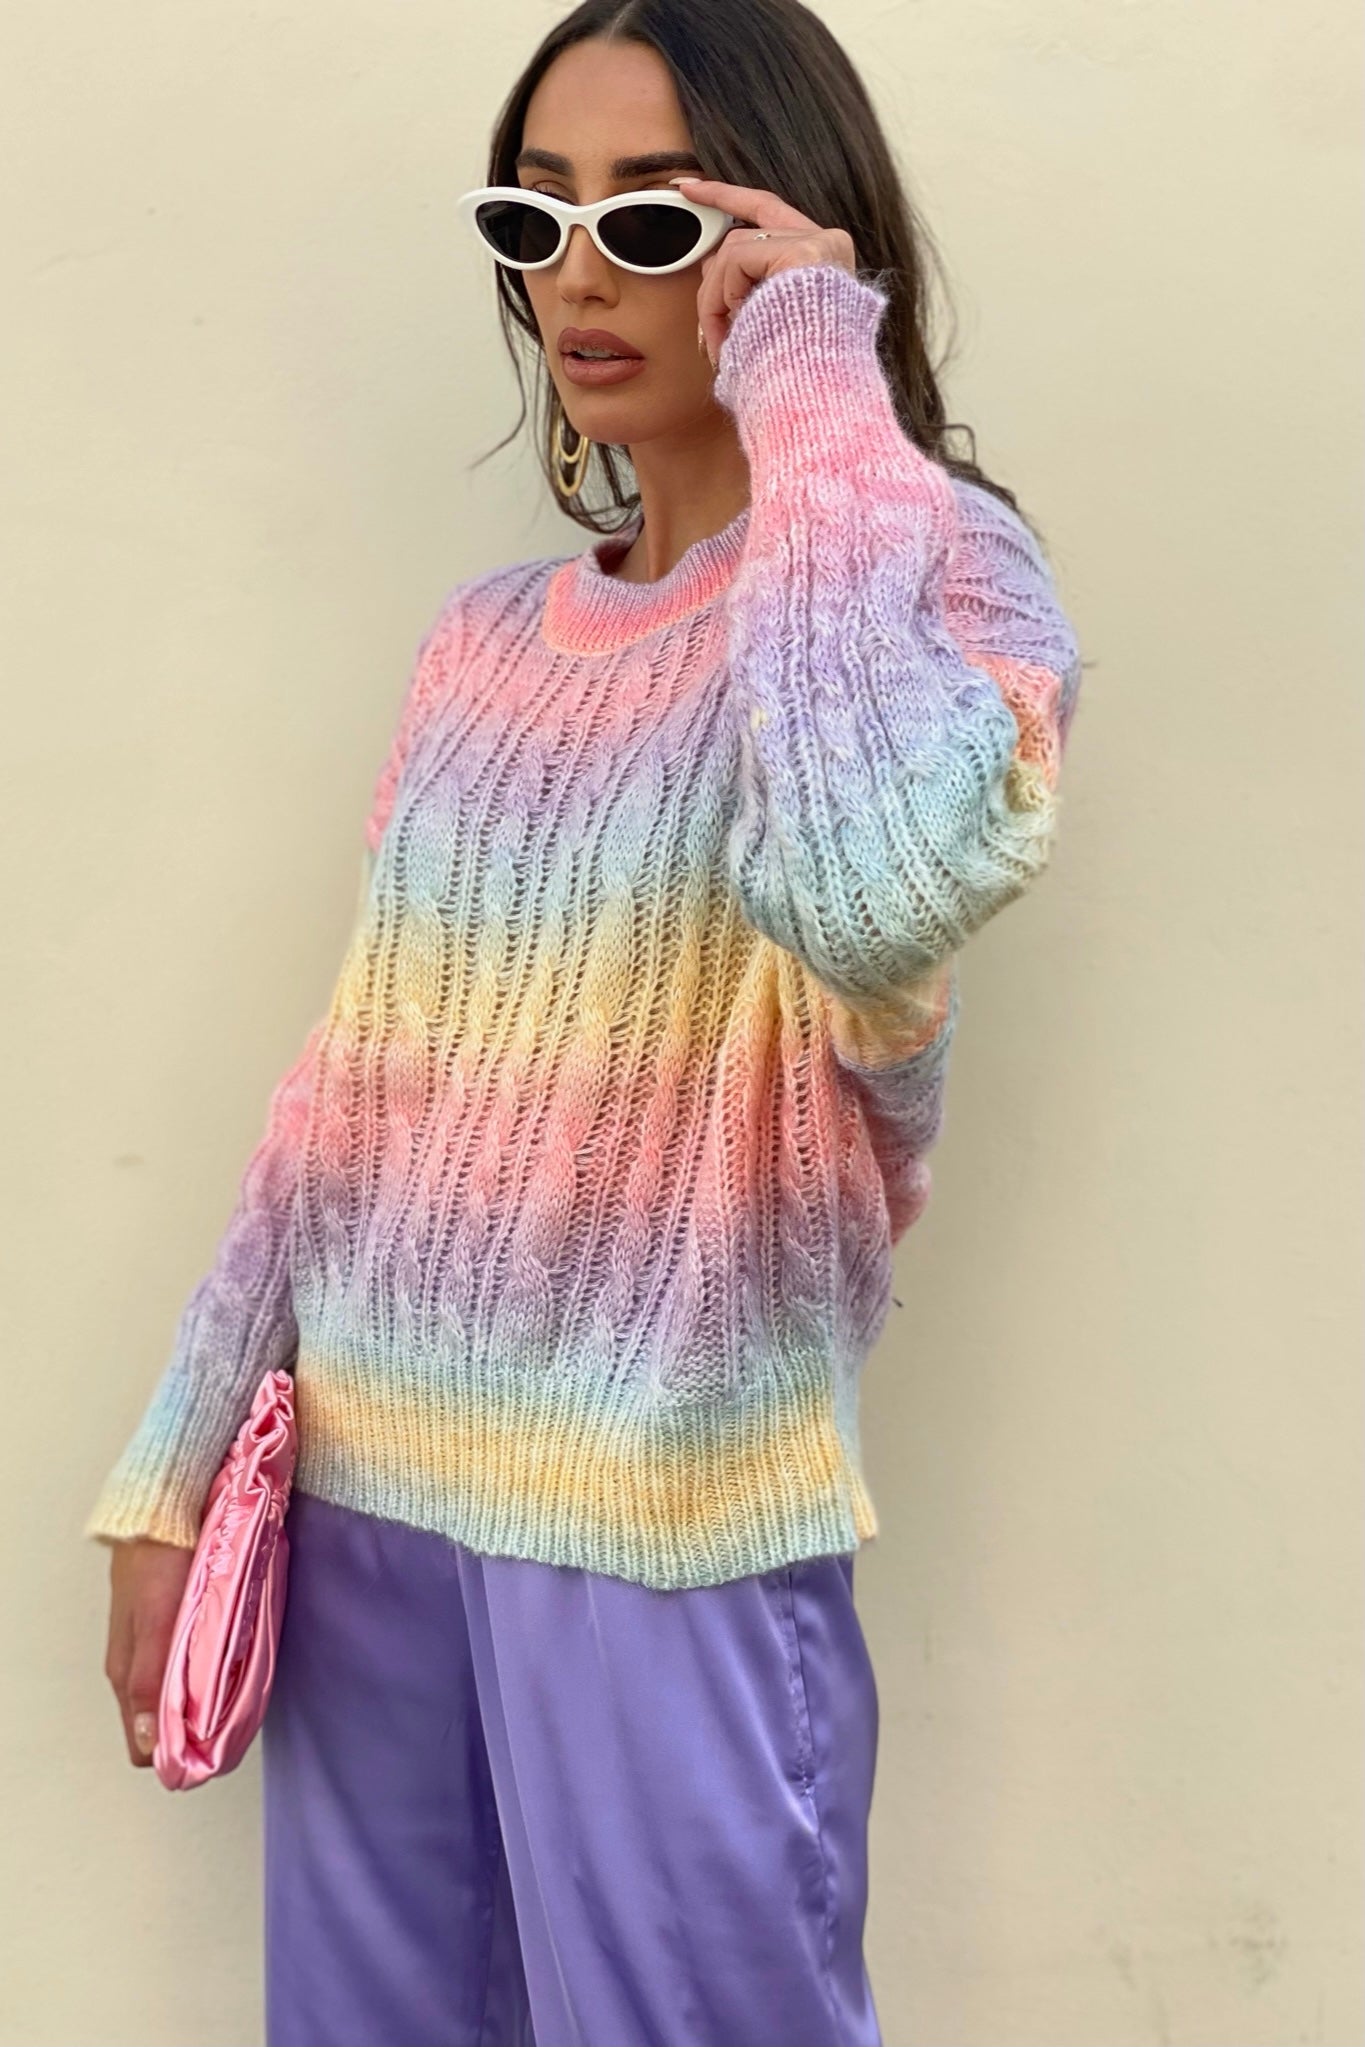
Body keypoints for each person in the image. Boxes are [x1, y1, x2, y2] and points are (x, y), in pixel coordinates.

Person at [86, 2, 1084, 2042]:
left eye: (651, 220)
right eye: (533, 219)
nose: (576, 277)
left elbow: (866, 891)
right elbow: (354, 1094)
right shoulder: (481, 644)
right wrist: (176, 1465)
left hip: (662, 1525)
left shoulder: (949, 587)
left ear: (788, 237)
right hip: (370, 1511)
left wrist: (817, 382)